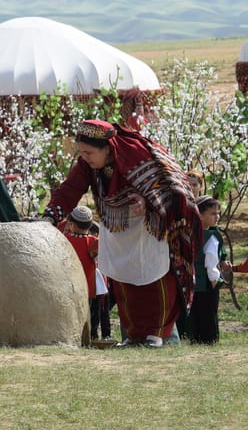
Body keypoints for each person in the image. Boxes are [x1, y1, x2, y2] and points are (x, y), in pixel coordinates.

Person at [42, 119, 202, 348]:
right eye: (82, 152)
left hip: (149, 224)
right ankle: (135, 335)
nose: (85, 157)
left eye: (89, 152)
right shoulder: (88, 164)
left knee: (153, 276)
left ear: (107, 148)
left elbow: (165, 186)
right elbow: (70, 188)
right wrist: (50, 216)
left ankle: (156, 334)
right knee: (124, 277)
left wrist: (146, 202)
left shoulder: (135, 154)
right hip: (117, 224)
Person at [58, 206, 103, 341]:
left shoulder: (64, 239)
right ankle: (90, 336)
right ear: (90, 225)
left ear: (71, 224)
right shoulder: (92, 242)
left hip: (68, 284)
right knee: (87, 312)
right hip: (87, 285)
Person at [188, 196, 226, 344]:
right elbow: (211, 261)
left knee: (197, 312)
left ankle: (195, 339)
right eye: (212, 213)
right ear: (200, 215)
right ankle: (209, 340)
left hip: (194, 282)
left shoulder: (191, 234)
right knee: (209, 313)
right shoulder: (212, 236)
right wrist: (215, 279)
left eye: (218, 213)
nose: (217, 217)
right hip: (209, 282)